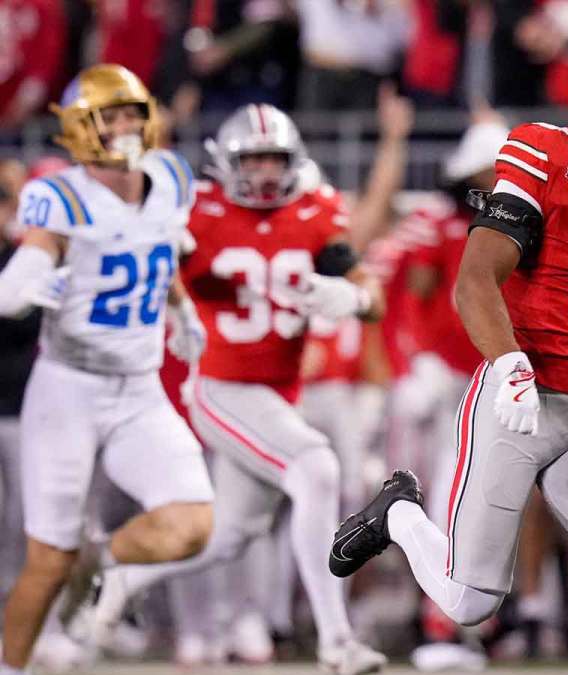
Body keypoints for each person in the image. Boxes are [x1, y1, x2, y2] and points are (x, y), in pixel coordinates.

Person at [328, 31, 568, 674]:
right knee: (469, 599)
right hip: (517, 395)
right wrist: (508, 366)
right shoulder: (546, 154)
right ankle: (398, 514)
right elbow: (474, 279)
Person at [76, 103, 387, 675]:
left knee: (229, 536)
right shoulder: (200, 211)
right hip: (221, 385)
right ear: (226, 164)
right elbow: (153, 261)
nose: (266, 172)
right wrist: (174, 308)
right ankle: (337, 641)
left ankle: (121, 581)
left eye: (275, 159)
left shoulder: (316, 209)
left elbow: (367, 286)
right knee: (316, 466)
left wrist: (357, 298)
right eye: (254, 160)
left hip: (278, 392)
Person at [0, 64, 216, 675]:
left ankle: (98, 566)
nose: (124, 127)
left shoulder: (170, 177)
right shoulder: (61, 196)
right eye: (110, 116)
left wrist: (181, 307)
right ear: (79, 128)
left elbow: (158, 244)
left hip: (141, 391)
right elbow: (31, 261)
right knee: (46, 562)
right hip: (68, 389)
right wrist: (21, 284)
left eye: (131, 114)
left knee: (191, 524)